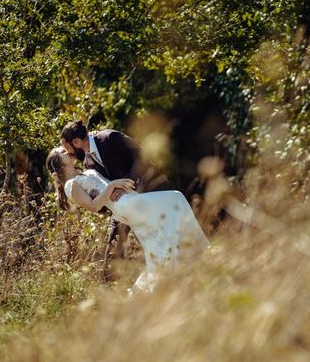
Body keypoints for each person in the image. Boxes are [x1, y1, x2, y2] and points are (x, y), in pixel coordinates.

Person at [46, 146, 209, 291]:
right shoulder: (70, 185)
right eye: (61, 152)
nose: (65, 150)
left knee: (156, 244)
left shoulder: (83, 171)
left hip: (128, 200)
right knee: (175, 199)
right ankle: (199, 249)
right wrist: (112, 186)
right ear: (59, 164)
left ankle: (149, 291)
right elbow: (94, 206)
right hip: (123, 205)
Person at [59, 120, 169, 281]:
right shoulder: (88, 163)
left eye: (68, 148)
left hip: (150, 190)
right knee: (113, 248)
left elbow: (143, 156)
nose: (69, 152)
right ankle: (111, 286)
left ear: (76, 142)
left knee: (160, 237)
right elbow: (103, 191)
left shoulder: (110, 137)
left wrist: (126, 184)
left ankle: (170, 269)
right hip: (122, 206)